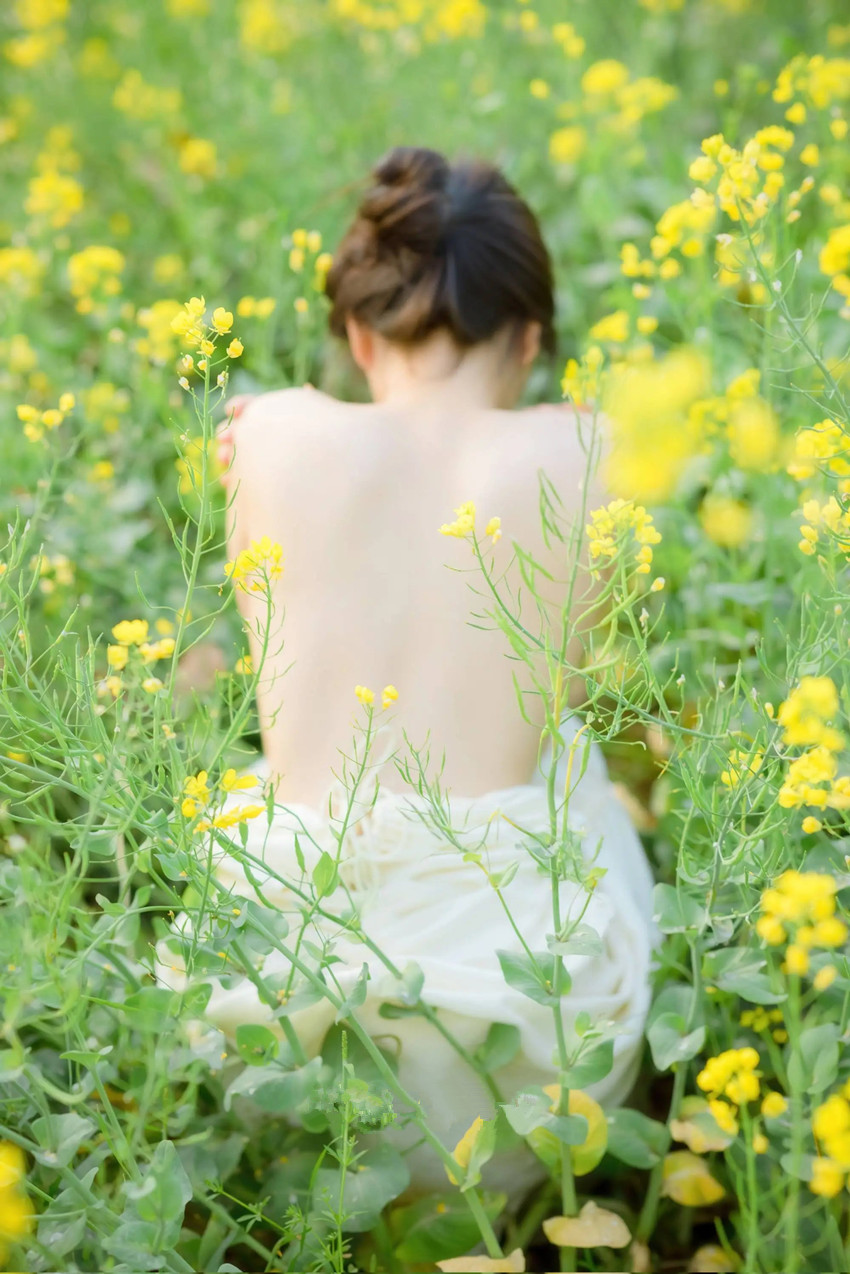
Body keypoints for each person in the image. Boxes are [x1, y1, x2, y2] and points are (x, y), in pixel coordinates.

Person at [159, 146, 654, 1195]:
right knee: (571, 762)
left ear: (354, 330)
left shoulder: (262, 432)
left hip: (271, 1033)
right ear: (529, 336)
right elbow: (559, 686)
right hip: (523, 1062)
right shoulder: (594, 455)